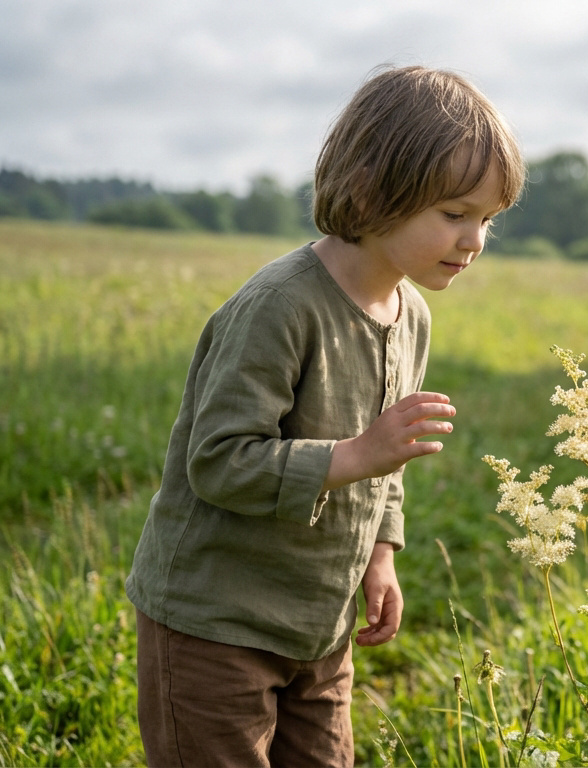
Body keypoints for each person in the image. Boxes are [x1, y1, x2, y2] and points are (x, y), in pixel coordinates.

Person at [125, 65, 525, 766]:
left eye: (487, 220)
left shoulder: (412, 316)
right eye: (455, 214)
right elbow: (218, 461)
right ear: (373, 191)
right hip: (215, 626)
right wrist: (352, 456)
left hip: (319, 624)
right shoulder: (280, 306)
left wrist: (380, 554)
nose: (475, 241)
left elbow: (386, 465)